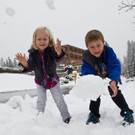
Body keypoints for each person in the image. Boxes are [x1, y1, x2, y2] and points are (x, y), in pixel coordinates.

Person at [15, 26, 71, 124]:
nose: (42, 41)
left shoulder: (51, 50)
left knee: (59, 100)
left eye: (44, 39)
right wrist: (24, 63)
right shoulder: (33, 54)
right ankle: (39, 117)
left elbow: (58, 58)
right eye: (39, 39)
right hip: (40, 81)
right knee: (41, 100)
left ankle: (66, 117)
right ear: (35, 40)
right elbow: (31, 66)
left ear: (49, 40)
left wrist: (58, 52)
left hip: (53, 80)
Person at [81, 29, 134, 126]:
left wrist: (113, 80)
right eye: (92, 47)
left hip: (109, 75)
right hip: (96, 76)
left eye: (98, 45)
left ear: (103, 43)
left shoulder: (108, 52)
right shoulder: (86, 57)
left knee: (114, 91)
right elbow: (86, 71)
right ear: (87, 47)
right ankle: (94, 114)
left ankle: (127, 111)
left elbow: (114, 65)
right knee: (95, 94)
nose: (96, 49)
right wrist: (90, 83)